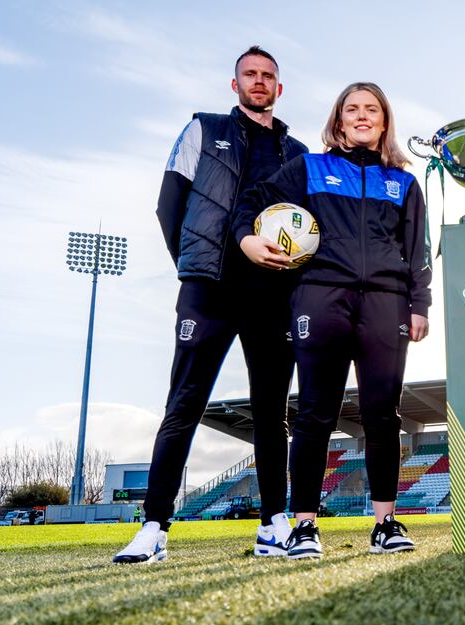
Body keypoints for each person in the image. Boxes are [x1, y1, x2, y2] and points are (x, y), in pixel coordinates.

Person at [113, 46, 308, 564]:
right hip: (210, 291)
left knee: (272, 415)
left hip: (273, 297)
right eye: (251, 74)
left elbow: (308, 228)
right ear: (235, 83)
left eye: (268, 76)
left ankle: (273, 525)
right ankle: (153, 528)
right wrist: (197, 266)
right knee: (184, 404)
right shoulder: (202, 129)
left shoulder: (301, 154)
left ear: (280, 88)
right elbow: (169, 204)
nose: (260, 82)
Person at [235, 82, 431, 559]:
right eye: (352, 109)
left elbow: (418, 249)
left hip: (386, 303)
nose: (362, 116)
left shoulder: (403, 182)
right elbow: (251, 201)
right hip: (321, 298)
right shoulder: (309, 168)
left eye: (371, 110)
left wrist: (420, 303)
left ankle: (385, 523)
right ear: (339, 120)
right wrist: (246, 238)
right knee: (315, 413)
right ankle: (304, 526)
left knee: (383, 415)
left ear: (384, 121)